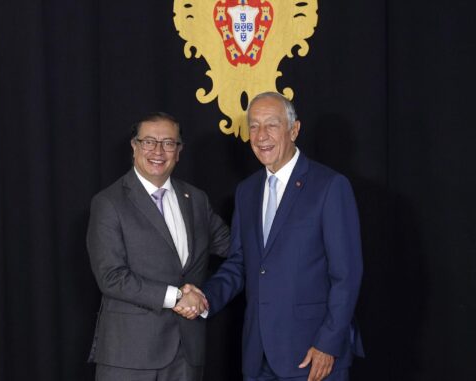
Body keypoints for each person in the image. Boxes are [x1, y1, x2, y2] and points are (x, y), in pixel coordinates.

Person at [178, 93, 364, 381]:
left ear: (294, 129)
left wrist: (328, 342)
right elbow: (240, 263)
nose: (261, 136)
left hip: (313, 356)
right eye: (253, 126)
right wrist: (205, 299)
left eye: (271, 125)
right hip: (258, 355)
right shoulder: (247, 191)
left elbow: (347, 274)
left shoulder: (329, 186)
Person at [87, 112, 228, 381]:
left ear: (179, 150)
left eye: (168, 143)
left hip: (187, 354)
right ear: (134, 146)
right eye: (149, 142)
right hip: (129, 355)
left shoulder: (196, 199)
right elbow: (111, 277)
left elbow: (232, 247)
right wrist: (176, 297)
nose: (158, 151)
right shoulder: (109, 203)